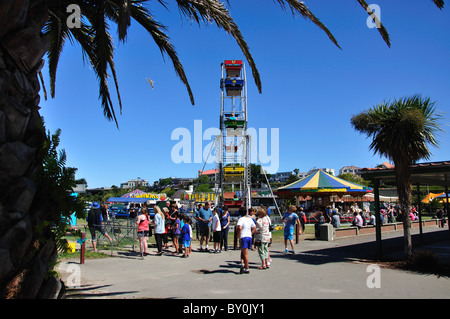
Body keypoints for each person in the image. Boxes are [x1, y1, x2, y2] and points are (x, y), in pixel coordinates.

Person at [237, 207, 256, 274]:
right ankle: (242, 263)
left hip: (244, 237)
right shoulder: (249, 219)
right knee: (242, 251)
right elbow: (254, 227)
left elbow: (239, 227)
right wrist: (250, 233)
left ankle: (247, 268)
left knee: (245, 253)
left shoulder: (241, 219)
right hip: (249, 236)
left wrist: (238, 235)